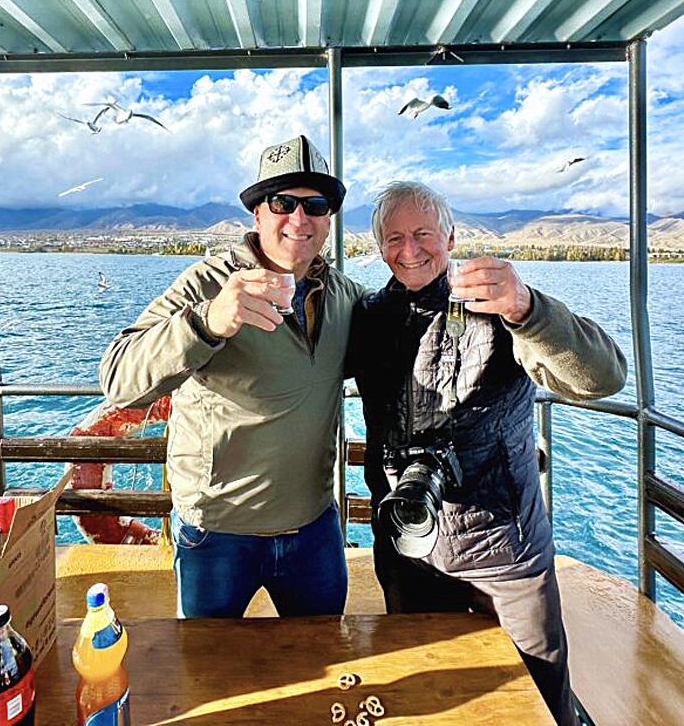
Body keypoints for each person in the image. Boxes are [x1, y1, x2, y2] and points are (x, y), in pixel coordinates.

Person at [348, 181, 626, 726]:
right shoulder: (369, 318)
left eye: (423, 234)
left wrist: (528, 309)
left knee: (541, 702)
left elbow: (602, 378)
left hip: (506, 556)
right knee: (430, 699)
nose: (410, 250)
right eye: (394, 238)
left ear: (451, 238)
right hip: (409, 549)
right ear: (379, 248)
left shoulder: (499, 307)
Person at [100, 135, 363, 618]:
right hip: (215, 534)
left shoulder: (344, 298)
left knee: (323, 652)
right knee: (205, 662)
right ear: (257, 214)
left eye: (316, 205)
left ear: (329, 220)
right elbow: (119, 377)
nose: (299, 218)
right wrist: (206, 322)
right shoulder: (206, 284)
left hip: (313, 530)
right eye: (282, 203)